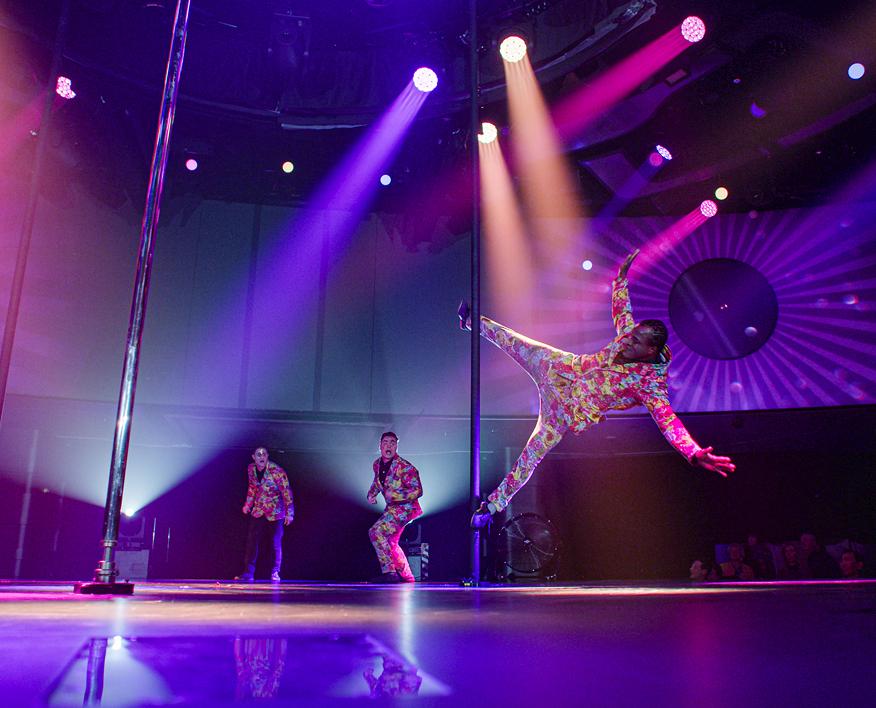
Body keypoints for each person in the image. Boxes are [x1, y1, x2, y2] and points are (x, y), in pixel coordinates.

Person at [462, 249, 735, 528]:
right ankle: (471, 322)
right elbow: (621, 309)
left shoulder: (651, 384)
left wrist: (692, 451)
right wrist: (621, 278)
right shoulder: (629, 336)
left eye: (637, 342)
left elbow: (668, 421)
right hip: (561, 369)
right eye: (631, 336)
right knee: (517, 342)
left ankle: (492, 507)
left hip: (566, 410)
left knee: (530, 457)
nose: (628, 341)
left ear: (651, 350)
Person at [367, 432, 423, 583]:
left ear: (396, 446)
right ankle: (408, 577)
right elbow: (378, 482)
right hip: (392, 509)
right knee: (390, 542)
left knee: (376, 532)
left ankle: (389, 572)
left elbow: (418, 490)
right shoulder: (377, 464)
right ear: (380, 445)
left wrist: (397, 495)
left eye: (392, 443)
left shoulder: (404, 467)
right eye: (385, 442)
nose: (389, 446)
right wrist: (371, 494)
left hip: (406, 509)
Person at [235, 447, 294, 582]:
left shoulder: (276, 471)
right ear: (253, 457)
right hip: (259, 509)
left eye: (264, 454)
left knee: (275, 542)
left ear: (267, 456)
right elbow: (252, 488)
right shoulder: (251, 469)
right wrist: (248, 505)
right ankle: (248, 573)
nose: (261, 457)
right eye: (258, 455)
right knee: (252, 542)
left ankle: (275, 572)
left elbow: (286, 491)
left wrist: (290, 513)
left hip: (276, 511)